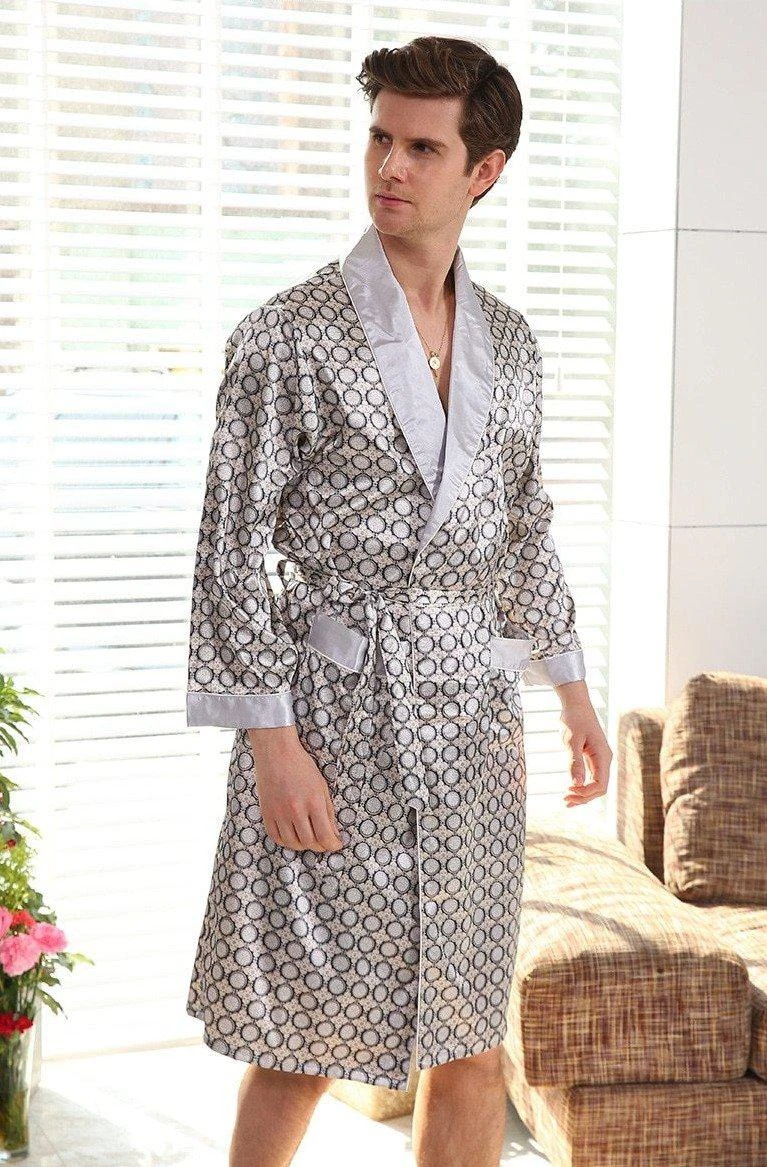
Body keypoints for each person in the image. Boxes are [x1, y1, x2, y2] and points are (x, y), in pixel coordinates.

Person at [185, 34, 612, 1167]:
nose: (389, 166)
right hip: (333, 725)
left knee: (468, 1037)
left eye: (423, 147)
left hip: (470, 729)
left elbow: (521, 526)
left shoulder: (510, 346)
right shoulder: (285, 336)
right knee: (302, 1031)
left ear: (485, 169)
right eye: (379, 137)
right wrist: (272, 745)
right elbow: (229, 554)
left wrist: (569, 689)